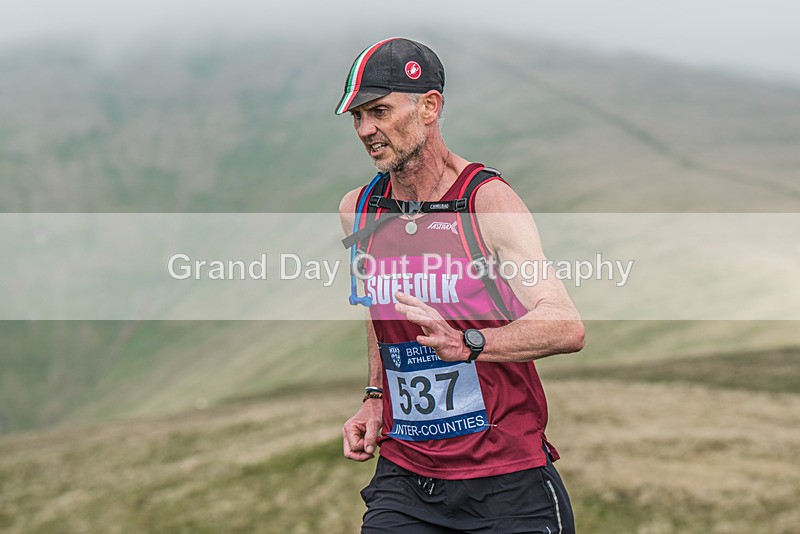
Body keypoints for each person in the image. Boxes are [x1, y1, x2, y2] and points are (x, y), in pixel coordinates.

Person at [336, 37, 585, 533]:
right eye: (357, 117)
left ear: (429, 107)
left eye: (379, 111)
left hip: (505, 478)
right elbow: (379, 308)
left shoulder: (486, 202)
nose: (366, 130)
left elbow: (565, 324)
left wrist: (469, 343)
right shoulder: (359, 210)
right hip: (406, 478)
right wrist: (376, 395)